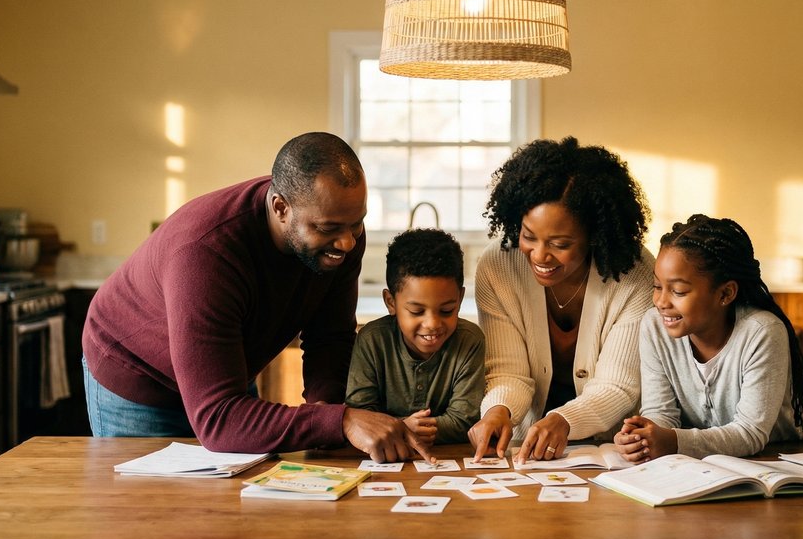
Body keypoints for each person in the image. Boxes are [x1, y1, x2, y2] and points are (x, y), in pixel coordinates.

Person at [82, 132, 431, 463]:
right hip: (140, 377)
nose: (347, 243)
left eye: (356, 224)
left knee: (233, 512)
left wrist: (328, 413)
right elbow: (218, 420)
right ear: (280, 208)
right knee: (152, 517)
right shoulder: (206, 255)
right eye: (327, 229)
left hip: (223, 381)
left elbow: (330, 337)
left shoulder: (340, 231)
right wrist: (340, 421)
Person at [468, 137, 655, 463]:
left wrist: (564, 419)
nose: (540, 255)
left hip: (613, 452)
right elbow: (508, 371)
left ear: (594, 236)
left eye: (560, 243)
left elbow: (618, 384)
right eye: (528, 236)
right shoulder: (498, 266)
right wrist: (499, 411)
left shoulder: (634, 272)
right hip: (528, 451)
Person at [613, 214, 803, 462]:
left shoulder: (762, 332)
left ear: (725, 293)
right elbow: (660, 412)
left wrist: (673, 441)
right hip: (700, 466)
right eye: (657, 286)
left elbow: (750, 433)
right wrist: (644, 436)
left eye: (678, 291)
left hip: (776, 461)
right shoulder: (654, 326)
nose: (661, 302)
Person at [345, 228, 486, 445]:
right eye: (417, 312)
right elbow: (360, 416)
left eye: (447, 310)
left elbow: (464, 420)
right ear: (391, 302)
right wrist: (402, 426)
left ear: (460, 298)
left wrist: (400, 428)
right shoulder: (372, 340)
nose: (432, 324)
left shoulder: (469, 341)